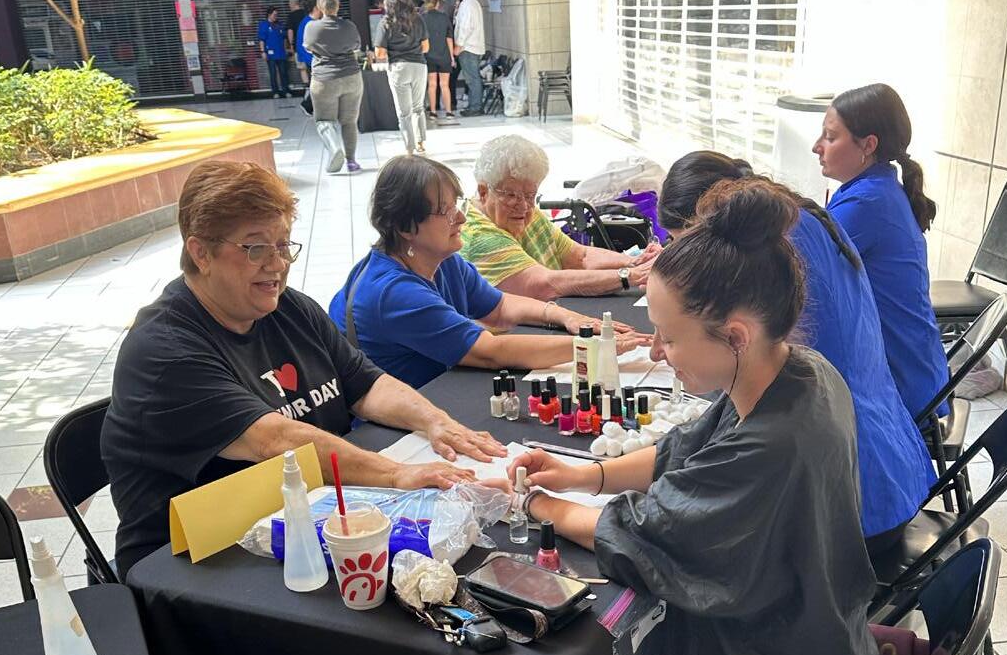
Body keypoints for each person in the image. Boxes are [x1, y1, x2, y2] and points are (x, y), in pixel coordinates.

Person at [506, 181, 891, 655]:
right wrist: (582, 476)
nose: (658, 352)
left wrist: (533, 505)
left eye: (669, 337)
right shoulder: (796, 372)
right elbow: (679, 452)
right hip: (820, 641)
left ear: (735, 335)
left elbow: (646, 532)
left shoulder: (775, 442)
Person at [102, 161, 504, 580]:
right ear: (201, 252)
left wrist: (437, 423)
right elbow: (274, 441)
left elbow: (367, 384)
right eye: (256, 249)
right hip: (194, 559)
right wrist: (397, 475)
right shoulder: (165, 351)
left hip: (297, 518)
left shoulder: (288, 308)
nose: (277, 265)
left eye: (284, 245)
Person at [659, 152, 935, 555]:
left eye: (684, 246)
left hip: (858, 501)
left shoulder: (779, 252)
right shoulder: (793, 224)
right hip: (886, 463)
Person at [329, 156, 650, 388]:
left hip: (442, 391)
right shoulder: (393, 293)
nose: (461, 218)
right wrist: (593, 346)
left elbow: (499, 306)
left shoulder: (441, 259)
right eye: (445, 212)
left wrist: (566, 317)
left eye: (457, 205)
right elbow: (491, 352)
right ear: (405, 226)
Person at [814, 82, 948, 420]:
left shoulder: (868, 202)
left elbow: (795, 266)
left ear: (868, 145)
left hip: (899, 387)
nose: (817, 147)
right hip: (914, 371)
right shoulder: (874, 188)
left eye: (830, 137)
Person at [460, 135, 661, 299]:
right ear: (484, 192)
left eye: (530, 195)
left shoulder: (525, 214)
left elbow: (580, 257)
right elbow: (546, 284)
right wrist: (630, 275)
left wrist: (635, 262)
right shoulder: (479, 237)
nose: (523, 206)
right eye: (511, 195)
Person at [303, 0, 364, 174]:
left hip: (324, 80)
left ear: (320, 7)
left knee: (324, 120)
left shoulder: (312, 27)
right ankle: (351, 161)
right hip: (352, 78)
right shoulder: (349, 26)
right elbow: (356, 46)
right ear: (338, 6)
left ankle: (335, 148)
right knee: (349, 121)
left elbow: (308, 47)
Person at [374, 0, 430, 155]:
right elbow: (426, 47)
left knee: (404, 113)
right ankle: (421, 143)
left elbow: (380, 53)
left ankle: (409, 148)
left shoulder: (385, 23)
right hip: (419, 66)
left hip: (399, 68)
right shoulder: (418, 18)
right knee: (418, 107)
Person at [421, 0, 456, 122]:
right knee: (444, 85)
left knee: (432, 84)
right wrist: (452, 57)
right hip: (444, 55)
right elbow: (449, 38)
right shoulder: (444, 17)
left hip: (429, 55)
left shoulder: (422, 19)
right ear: (437, 4)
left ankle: (433, 112)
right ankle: (449, 112)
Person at [453, 0, 485, 116]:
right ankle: (474, 105)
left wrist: (459, 45)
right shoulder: (473, 2)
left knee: (472, 79)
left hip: (468, 47)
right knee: (473, 78)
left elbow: (465, 27)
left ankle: (475, 107)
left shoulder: (467, 4)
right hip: (472, 46)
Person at [257, 6, 291, 98]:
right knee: (273, 73)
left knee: (283, 72)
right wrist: (263, 51)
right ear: (269, 14)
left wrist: (286, 49)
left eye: (277, 15)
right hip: (270, 53)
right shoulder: (264, 25)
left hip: (281, 52)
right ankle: (275, 92)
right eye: (274, 15)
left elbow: (284, 38)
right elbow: (261, 40)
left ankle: (286, 90)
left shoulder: (279, 24)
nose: (276, 16)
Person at [294, 0, 320, 87]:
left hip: (312, 59)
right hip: (312, 59)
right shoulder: (309, 23)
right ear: (315, 8)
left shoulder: (308, 22)